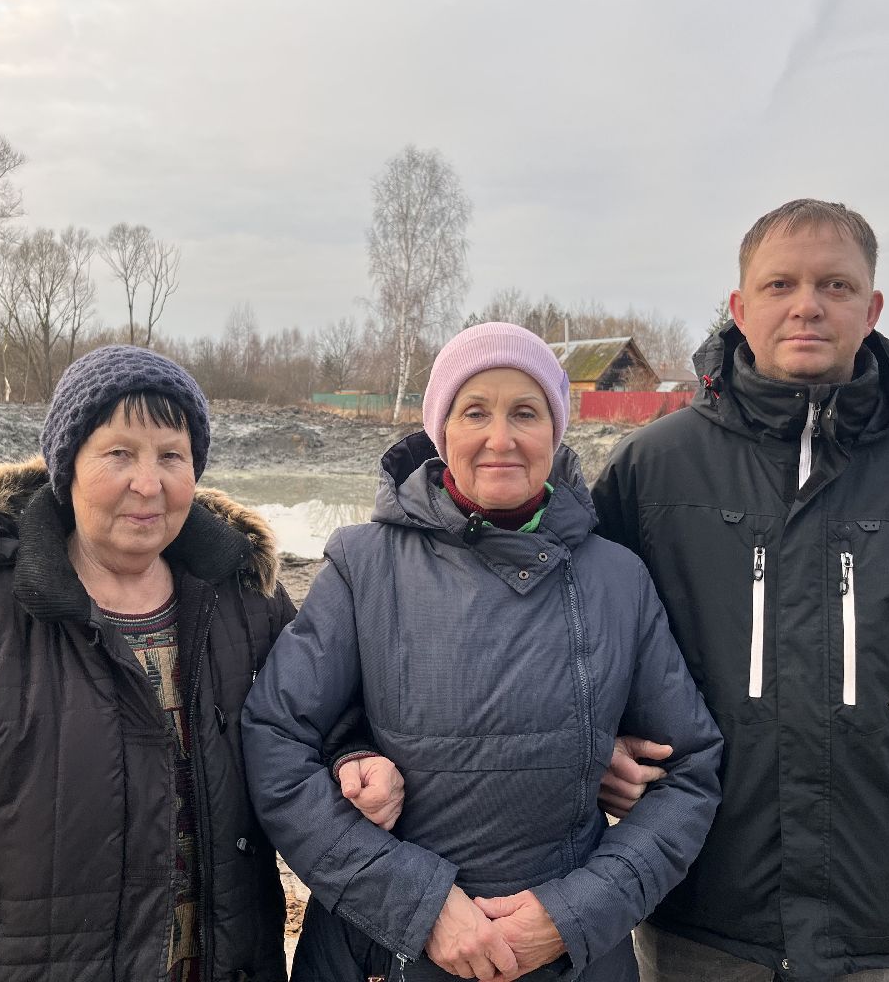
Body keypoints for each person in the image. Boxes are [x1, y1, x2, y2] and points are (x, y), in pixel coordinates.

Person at [0, 346, 404, 982]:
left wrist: (352, 757)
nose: (149, 483)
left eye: (172, 456)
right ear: (68, 467)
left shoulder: (249, 603)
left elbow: (315, 719)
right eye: (119, 454)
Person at [592, 200, 889, 982]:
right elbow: (575, 651)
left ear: (872, 308)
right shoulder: (651, 471)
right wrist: (597, 749)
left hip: (873, 905)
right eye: (780, 285)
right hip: (696, 898)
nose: (807, 305)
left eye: (836, 285)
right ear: (740, 307)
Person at [242, 322, 723, 981]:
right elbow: (276, 740)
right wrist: (418, 906)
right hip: (382, 952)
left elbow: (690, 774)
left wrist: (574, 914)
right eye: (475, 412)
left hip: (572, 960)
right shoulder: (363, 565)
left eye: (525, 412)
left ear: (555, 431)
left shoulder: (618, 579)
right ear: (442, 430)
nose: (501, 438)